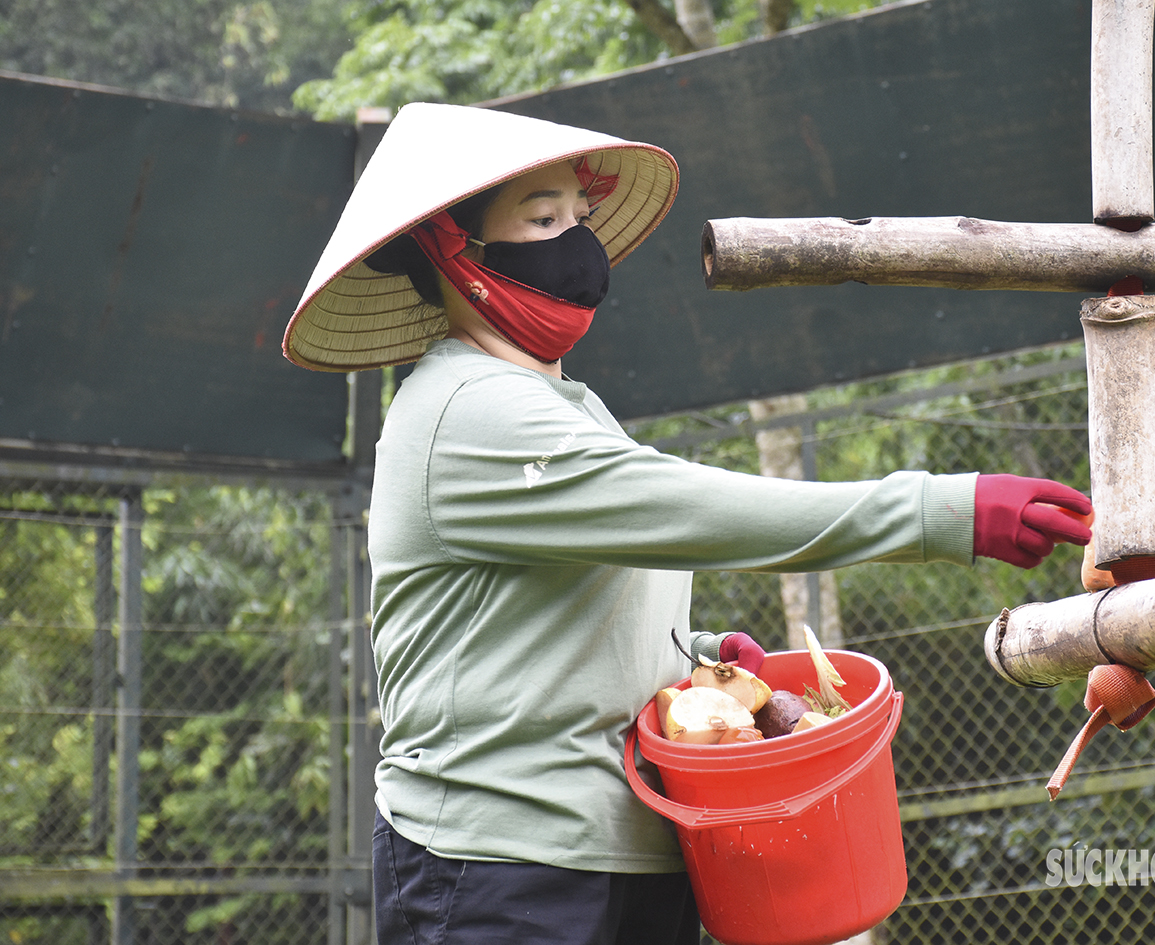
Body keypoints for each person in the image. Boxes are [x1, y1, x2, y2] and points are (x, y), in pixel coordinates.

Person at [283, 103, 1093, 945]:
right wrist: (937, 509)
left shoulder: (567, 404)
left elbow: (562, 612)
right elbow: (686, 508)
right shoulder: (465, 409)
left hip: (632, 850)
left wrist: (697, 658)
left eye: (580, 218)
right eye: (541, 219)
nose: (576, 244)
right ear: (450, 251)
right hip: (496, 865)